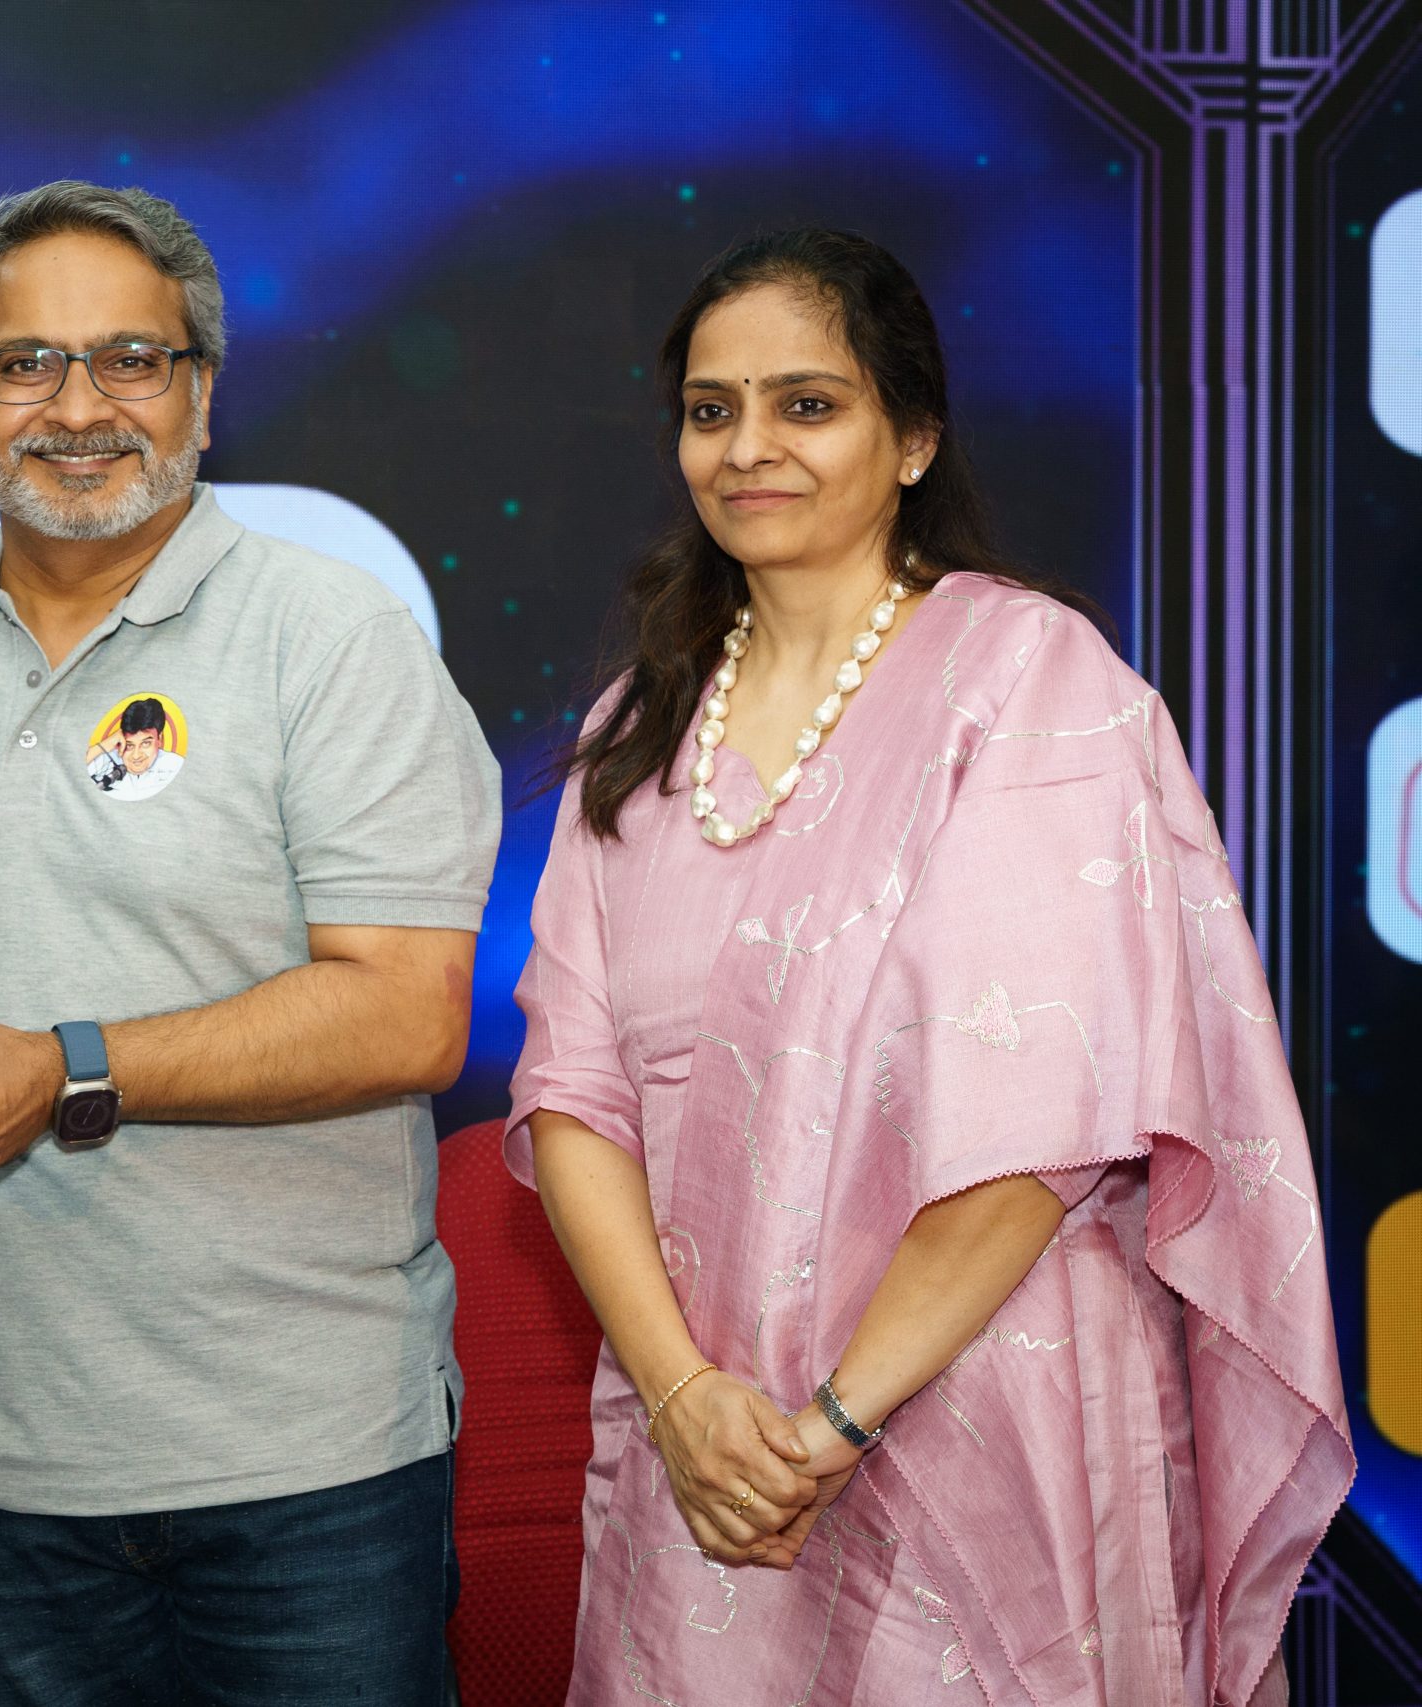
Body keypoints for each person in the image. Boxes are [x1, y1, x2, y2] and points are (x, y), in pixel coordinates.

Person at [509, 227, 1350, 1704]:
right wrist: (690, 1401)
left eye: (807, 404)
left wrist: (834, 1423)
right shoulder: (635, 730)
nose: (748, 446)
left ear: (912, 439)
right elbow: (573, 1096)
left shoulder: (1029, 682)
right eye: (711, 410)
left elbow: (1044, 1119)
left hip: (975, 1412)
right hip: (707, 1450)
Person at [0, 181, 502, 1706]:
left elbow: (408, 1013)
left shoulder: (332, 638)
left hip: (307, 1465)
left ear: (201, 385)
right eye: (25, 363)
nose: (77, 408)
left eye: (130, 358)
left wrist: (67, 1067)